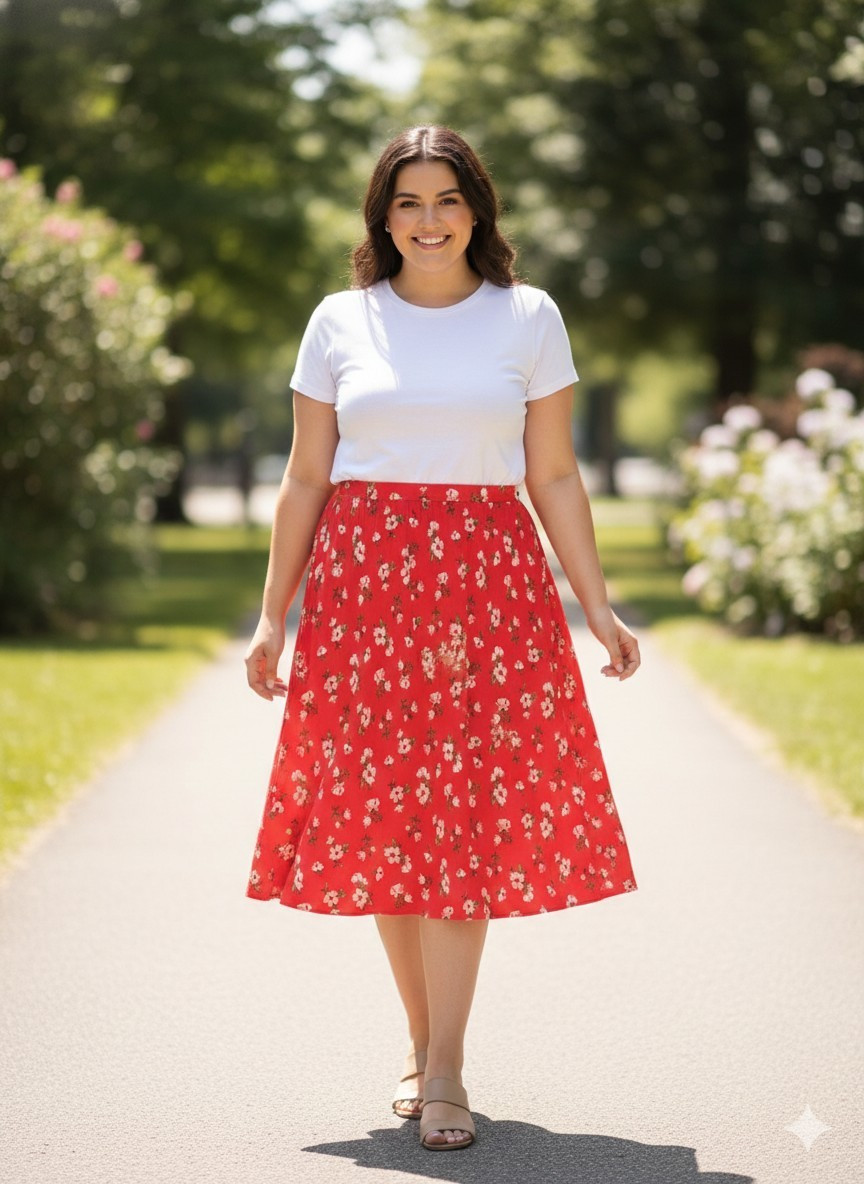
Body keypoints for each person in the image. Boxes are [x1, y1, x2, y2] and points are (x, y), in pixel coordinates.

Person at [242, 125, 641, 1152]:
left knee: (458, 820)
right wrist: (269, 615)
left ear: (478, 210)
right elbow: (305, 476)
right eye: (408, 201)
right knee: (388, 821)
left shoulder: (529, 316)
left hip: (487, 586)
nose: (428, 220)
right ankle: (422, 1045)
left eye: (446, 200)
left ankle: (451, 1063)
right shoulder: (339, 319)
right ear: (383, 213)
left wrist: (594, 603)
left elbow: (552, 472)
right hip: (364, 587)